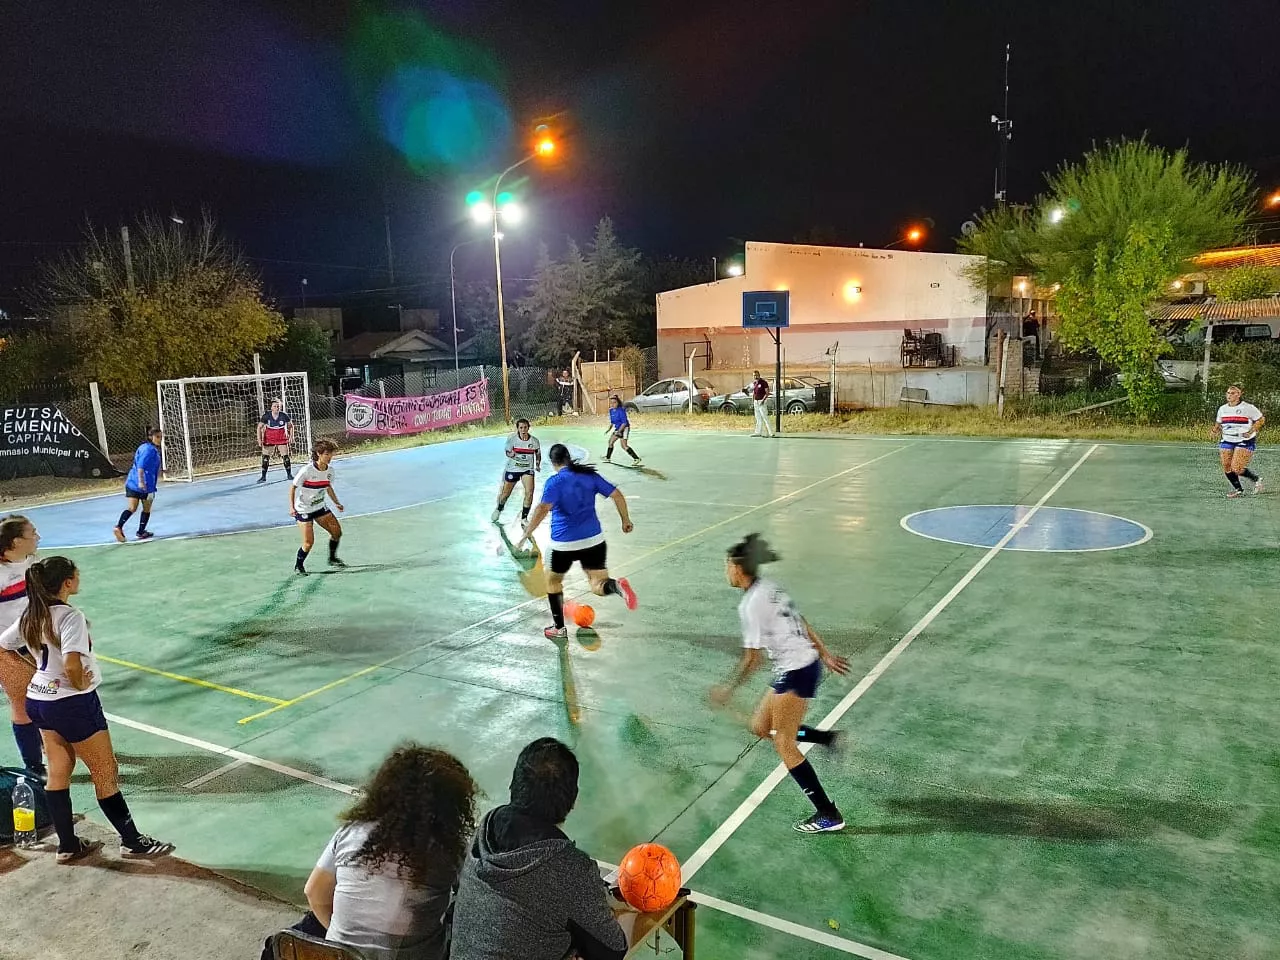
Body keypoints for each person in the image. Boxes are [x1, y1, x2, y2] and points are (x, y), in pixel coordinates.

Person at [0, 556, 173, 861]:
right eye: (76, 575)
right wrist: (78, 683)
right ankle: (132, 842)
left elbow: (6, 643)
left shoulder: (31, 614)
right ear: (67, 582)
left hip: (40, 699)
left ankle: (67, 845)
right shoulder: (70, 617)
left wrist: (39, 670)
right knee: (105, 771)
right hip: (72, 704)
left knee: (58, 772)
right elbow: (71, 661)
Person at [265, 743, 479, 960]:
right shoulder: (452, 851)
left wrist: (345, 944)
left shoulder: (353, 831)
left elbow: (314, 892)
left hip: (338, 956)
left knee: (301, 929)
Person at [711, 534, 850, 834]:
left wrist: (728, 689)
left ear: (737, 568)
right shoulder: (770, 587)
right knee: (762, 727)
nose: (725, 571)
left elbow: (752, 659)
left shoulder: (749, 605)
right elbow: (801, 620)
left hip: (796, 670)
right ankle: (826, 739)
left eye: (727, 566)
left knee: (784, 743)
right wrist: (823, 653)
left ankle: (828, 813)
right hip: (800, 665)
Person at [451, 738, 628, 960]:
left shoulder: (484, 830)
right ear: (572, 800)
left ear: (513, 786)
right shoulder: (569, 870)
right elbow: (612, 950)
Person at [516, 444, 637, 640]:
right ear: (568, 457)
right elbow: (617, 495)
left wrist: (525, 535)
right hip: (593, 540)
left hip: (563, 544)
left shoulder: (554, 482)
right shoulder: (589, 476)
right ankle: (617, 587)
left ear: (554, 462)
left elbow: (541, 510)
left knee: (553, 583)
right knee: (598, 584)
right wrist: (625, 520)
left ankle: (559, 629)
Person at [0, 515, 44, 777]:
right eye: (33, 533)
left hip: (41, 643)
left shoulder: (34, 564)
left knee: (52, 697)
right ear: (16, 541)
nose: (38, 537)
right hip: (9, 649)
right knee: (22, 703)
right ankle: (34, 766)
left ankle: (54, 744)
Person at [291, 439, 345, 575]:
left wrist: (337, 503)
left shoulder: (330, 471)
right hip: (304, 509)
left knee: (337, 533)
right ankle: (299, 565)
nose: (330, 457)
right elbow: (292, 488)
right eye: (327, 454)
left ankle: (332, 558)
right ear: (319, 454)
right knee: (309, 543)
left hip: (320, 507)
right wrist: (292, 508)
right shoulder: (307, 470)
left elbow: (328, 487)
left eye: (331, 454)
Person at [1211, 383, 1265, 498]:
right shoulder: (1222, 409)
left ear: (1239, 394)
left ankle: (1256, 479)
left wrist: (1251, 431)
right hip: (1227, 439)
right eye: (1228, 393)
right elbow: (1219, 422)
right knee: (1226, 466)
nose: (1229, 395)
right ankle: (1238, 489)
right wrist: (1215, 430)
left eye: (1233, 393)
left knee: (1236, 468)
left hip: (1244, 440)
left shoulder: (1248, 408)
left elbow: (1261, 420)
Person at [113, 426, 162, 542]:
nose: (160, 439)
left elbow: (147, 466)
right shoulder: (150, 450)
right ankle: (141, 532)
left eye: (161, 437)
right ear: (150, 437)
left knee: (132, 508)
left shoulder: (143, 447)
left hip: (131, 483)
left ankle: (118, 527)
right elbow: (141, 466)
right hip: (145, 485)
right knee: (146, 509)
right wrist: (141, 482)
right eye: (157, 437)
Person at [492, 418, 541, 525]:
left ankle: (524, 518)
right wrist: (511, 454)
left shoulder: (534, 441)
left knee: (529, 493)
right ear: (518, 429)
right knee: (505, 494)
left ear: (529, 428)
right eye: (521, 428)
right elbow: (507, 452)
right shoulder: (512, 440)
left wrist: (537, 464)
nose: (523, 430)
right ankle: (499, 508)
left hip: (527, 469)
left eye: (525, 427)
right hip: (513, 469)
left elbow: (538, 454)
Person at [257, 398, 295, 484]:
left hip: (281, 437)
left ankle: (289, 475)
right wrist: (259, 439)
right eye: (275, 406)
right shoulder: (266, 416)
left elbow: (291, 426)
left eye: (278, 406)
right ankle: (263, 477)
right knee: (265, 458)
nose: (277, 408)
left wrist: (291, 436)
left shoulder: (284, 415)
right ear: (271, 408)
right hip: (269, 438)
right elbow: (259, 427)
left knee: (285, 457)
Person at [603, 396, 641, 466]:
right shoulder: (611, 410)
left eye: (614, 403)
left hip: (624, 428)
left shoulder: (621, 411)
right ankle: (608, 458)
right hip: (618, 428)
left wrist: (619, 431)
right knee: (610, 442)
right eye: (611, 403)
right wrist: (609, 429)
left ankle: (636, 458)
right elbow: (612, 422)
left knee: (624, 446)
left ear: (618, 403)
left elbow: (624, 423)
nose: (612, 404)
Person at [750, 371, 773, 437]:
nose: (755, 377)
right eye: (754, 375)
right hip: (756, 402)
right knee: (758, 418)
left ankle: (771, 433)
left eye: (756, 375)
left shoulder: (763, 382)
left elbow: (767, 392)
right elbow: (754, 393)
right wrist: (753, 401)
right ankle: (758, 432)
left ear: (759, 375)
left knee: (765, 417)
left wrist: (763, 400)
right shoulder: (754, 383)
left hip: (761, 401)